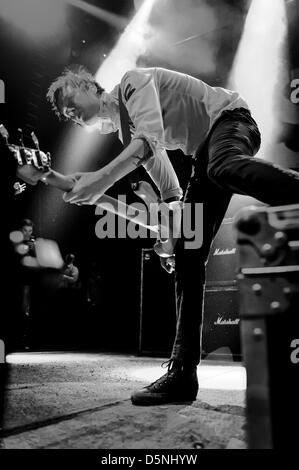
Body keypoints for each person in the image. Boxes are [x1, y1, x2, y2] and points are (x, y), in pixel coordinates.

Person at [18, 65, 299, 405]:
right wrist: (59, 180)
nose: (68, 112)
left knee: (222, 167)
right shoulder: (129, 132)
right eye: (63, 113)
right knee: (188, 256)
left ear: (91, 87)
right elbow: (170, 193)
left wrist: (99, 179)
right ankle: (182, 375)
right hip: (204, 155)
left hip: (231, 121)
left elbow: (149, 143)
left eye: (69, 99)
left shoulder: (134, 83)